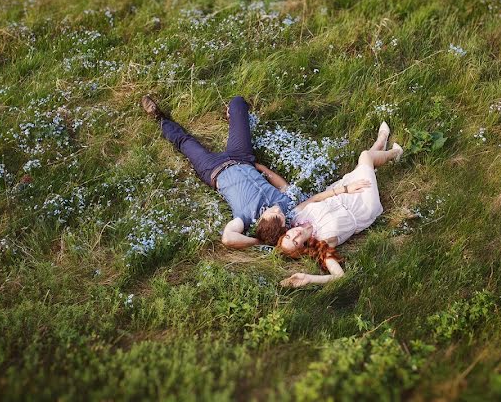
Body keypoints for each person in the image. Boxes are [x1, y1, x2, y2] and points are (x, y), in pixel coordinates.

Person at [141, 94, 292, 247]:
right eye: (281, 215)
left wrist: (258, 242)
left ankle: (159, 118)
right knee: (238, 103)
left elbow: (227, 238)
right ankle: (231, 116)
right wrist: (263, 168)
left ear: (262, 221)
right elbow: (284, 187)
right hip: (242, 157)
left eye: (275, 214)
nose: (278, 211)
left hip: (213, 168)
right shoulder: (282, 204)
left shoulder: (245, 217)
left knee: (185, 142)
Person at [277, 121, 402, 287]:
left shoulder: (296, 217)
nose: (295, 234)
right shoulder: (323, 242)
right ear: (302, 247)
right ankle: (395, 152)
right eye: (295, 242)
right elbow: (339, 276)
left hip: (341, 193)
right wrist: (309, 279)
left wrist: (344, 189)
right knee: (365, 157)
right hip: (362, 206)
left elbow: (315, 198)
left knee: (363, 166)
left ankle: (380, 143)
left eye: (288, 235)